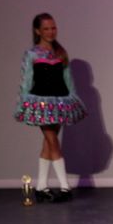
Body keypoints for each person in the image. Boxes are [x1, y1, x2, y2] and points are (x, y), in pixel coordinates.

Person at [14, 13, 86, 202]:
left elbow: (68, 80)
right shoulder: (32, 54)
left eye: (53, 28)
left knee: (48, 143)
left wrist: (73, 99)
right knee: (53, 141)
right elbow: (26, 81)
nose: (51, 32)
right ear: (37, 31)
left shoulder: (60, 53)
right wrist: (23, 103)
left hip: (60, 102)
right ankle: (65, 186)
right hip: (41, 103)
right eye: (46, 28)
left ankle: (41, 187)